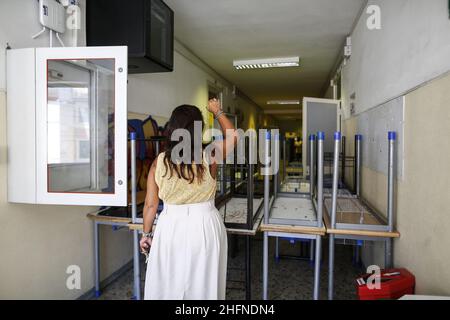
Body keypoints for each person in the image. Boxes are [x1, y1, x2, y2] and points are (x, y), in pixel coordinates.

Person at [140, 99, 236, 300]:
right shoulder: (209, 156)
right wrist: (217, 111)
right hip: (206, 225)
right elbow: (233, 136)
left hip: (170, 227)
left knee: (168, 283)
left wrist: (146, 234)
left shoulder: (159, 162)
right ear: (198, 131)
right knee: (203, 284)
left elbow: (151, 205)